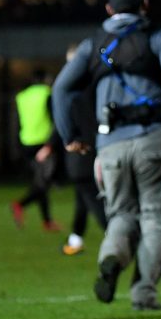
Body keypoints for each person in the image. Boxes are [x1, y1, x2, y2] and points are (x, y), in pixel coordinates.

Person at [52, 0, 161, 310]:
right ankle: (144, 293)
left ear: (109, 9)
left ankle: (111, 259)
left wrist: (70, 136)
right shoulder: (156, 36)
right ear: (145, 5)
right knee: (156, 216)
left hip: (109, 144)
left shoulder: (92, 44)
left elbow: (61, 89)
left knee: (121, 214)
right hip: (154, 138)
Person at [56, 44, 107, 256]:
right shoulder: (97, 87)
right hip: (97, 151)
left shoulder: (70, 92)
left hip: (83, 154)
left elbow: (63, 123)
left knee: (93, 199)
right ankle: (75, 240)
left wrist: (68, 139)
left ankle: (118, 237)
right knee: (84, 199)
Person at [10, 68, 61, 231]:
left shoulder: (22, 97)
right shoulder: (48, 94)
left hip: (26, 143)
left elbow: (16, 124)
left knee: (40, 181)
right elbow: (56, 121)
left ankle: (47, 221)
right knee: (44, 182)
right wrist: (50, 145)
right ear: (46, 79)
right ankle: (20, 204)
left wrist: (17, 147)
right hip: (43, 144)